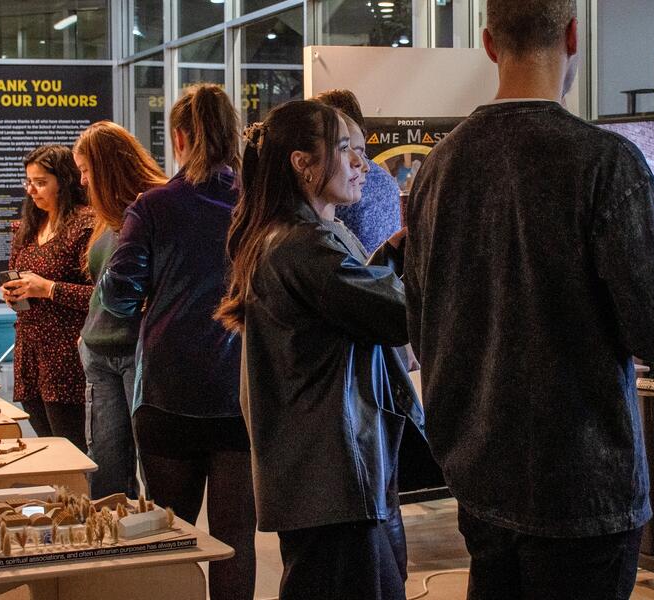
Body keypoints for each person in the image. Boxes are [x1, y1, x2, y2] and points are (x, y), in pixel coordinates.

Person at [402, 1, 654, 598]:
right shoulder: (606, 163)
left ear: (487, 44)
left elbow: (420, 325)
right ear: (572, 34)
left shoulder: (437, 168)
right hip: (585, 491)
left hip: (478, 479)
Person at [216, 102, 419, 599]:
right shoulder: (303, 244)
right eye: (346, 149)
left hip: (318, 478)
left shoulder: (289, 237)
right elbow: (395, 315)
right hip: (333, 478)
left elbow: (352, 301)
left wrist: (393, 255)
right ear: (302, 162)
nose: (361, 164)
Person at [96, 84, 255, 600]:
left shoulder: (154, 206)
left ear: (180, 138)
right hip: (241, 396)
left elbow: (118, 296)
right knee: (234, 540)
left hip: (167, 393)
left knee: (170, 536)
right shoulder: (256, 206)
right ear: (233, 135)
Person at [73, 121, 167, 499]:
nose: (82, 181)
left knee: (153, 466)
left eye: (85, 171)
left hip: (137, 351)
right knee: (106, 469)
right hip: (99, 351)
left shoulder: (151, 209)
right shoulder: (108, 217)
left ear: (107, 167)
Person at [4, 144, 96, 453]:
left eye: (41, 182)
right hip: (31, 347)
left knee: (72, 446)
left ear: (66, 181)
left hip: (67, 353)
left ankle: (80, 501)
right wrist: (13, 292)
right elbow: (16, 273)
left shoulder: (86, 225)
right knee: (48, 444)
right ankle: (62, 499)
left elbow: (102, 296)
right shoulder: (29, 226)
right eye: (28, 181)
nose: (31, 190)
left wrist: (49, 288)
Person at [314, 89, 403, 255]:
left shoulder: (329, 224)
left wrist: (387, 254)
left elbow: (359, 275)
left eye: (358, 151)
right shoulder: (308, 238)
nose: (362, 165)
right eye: (344, 148)